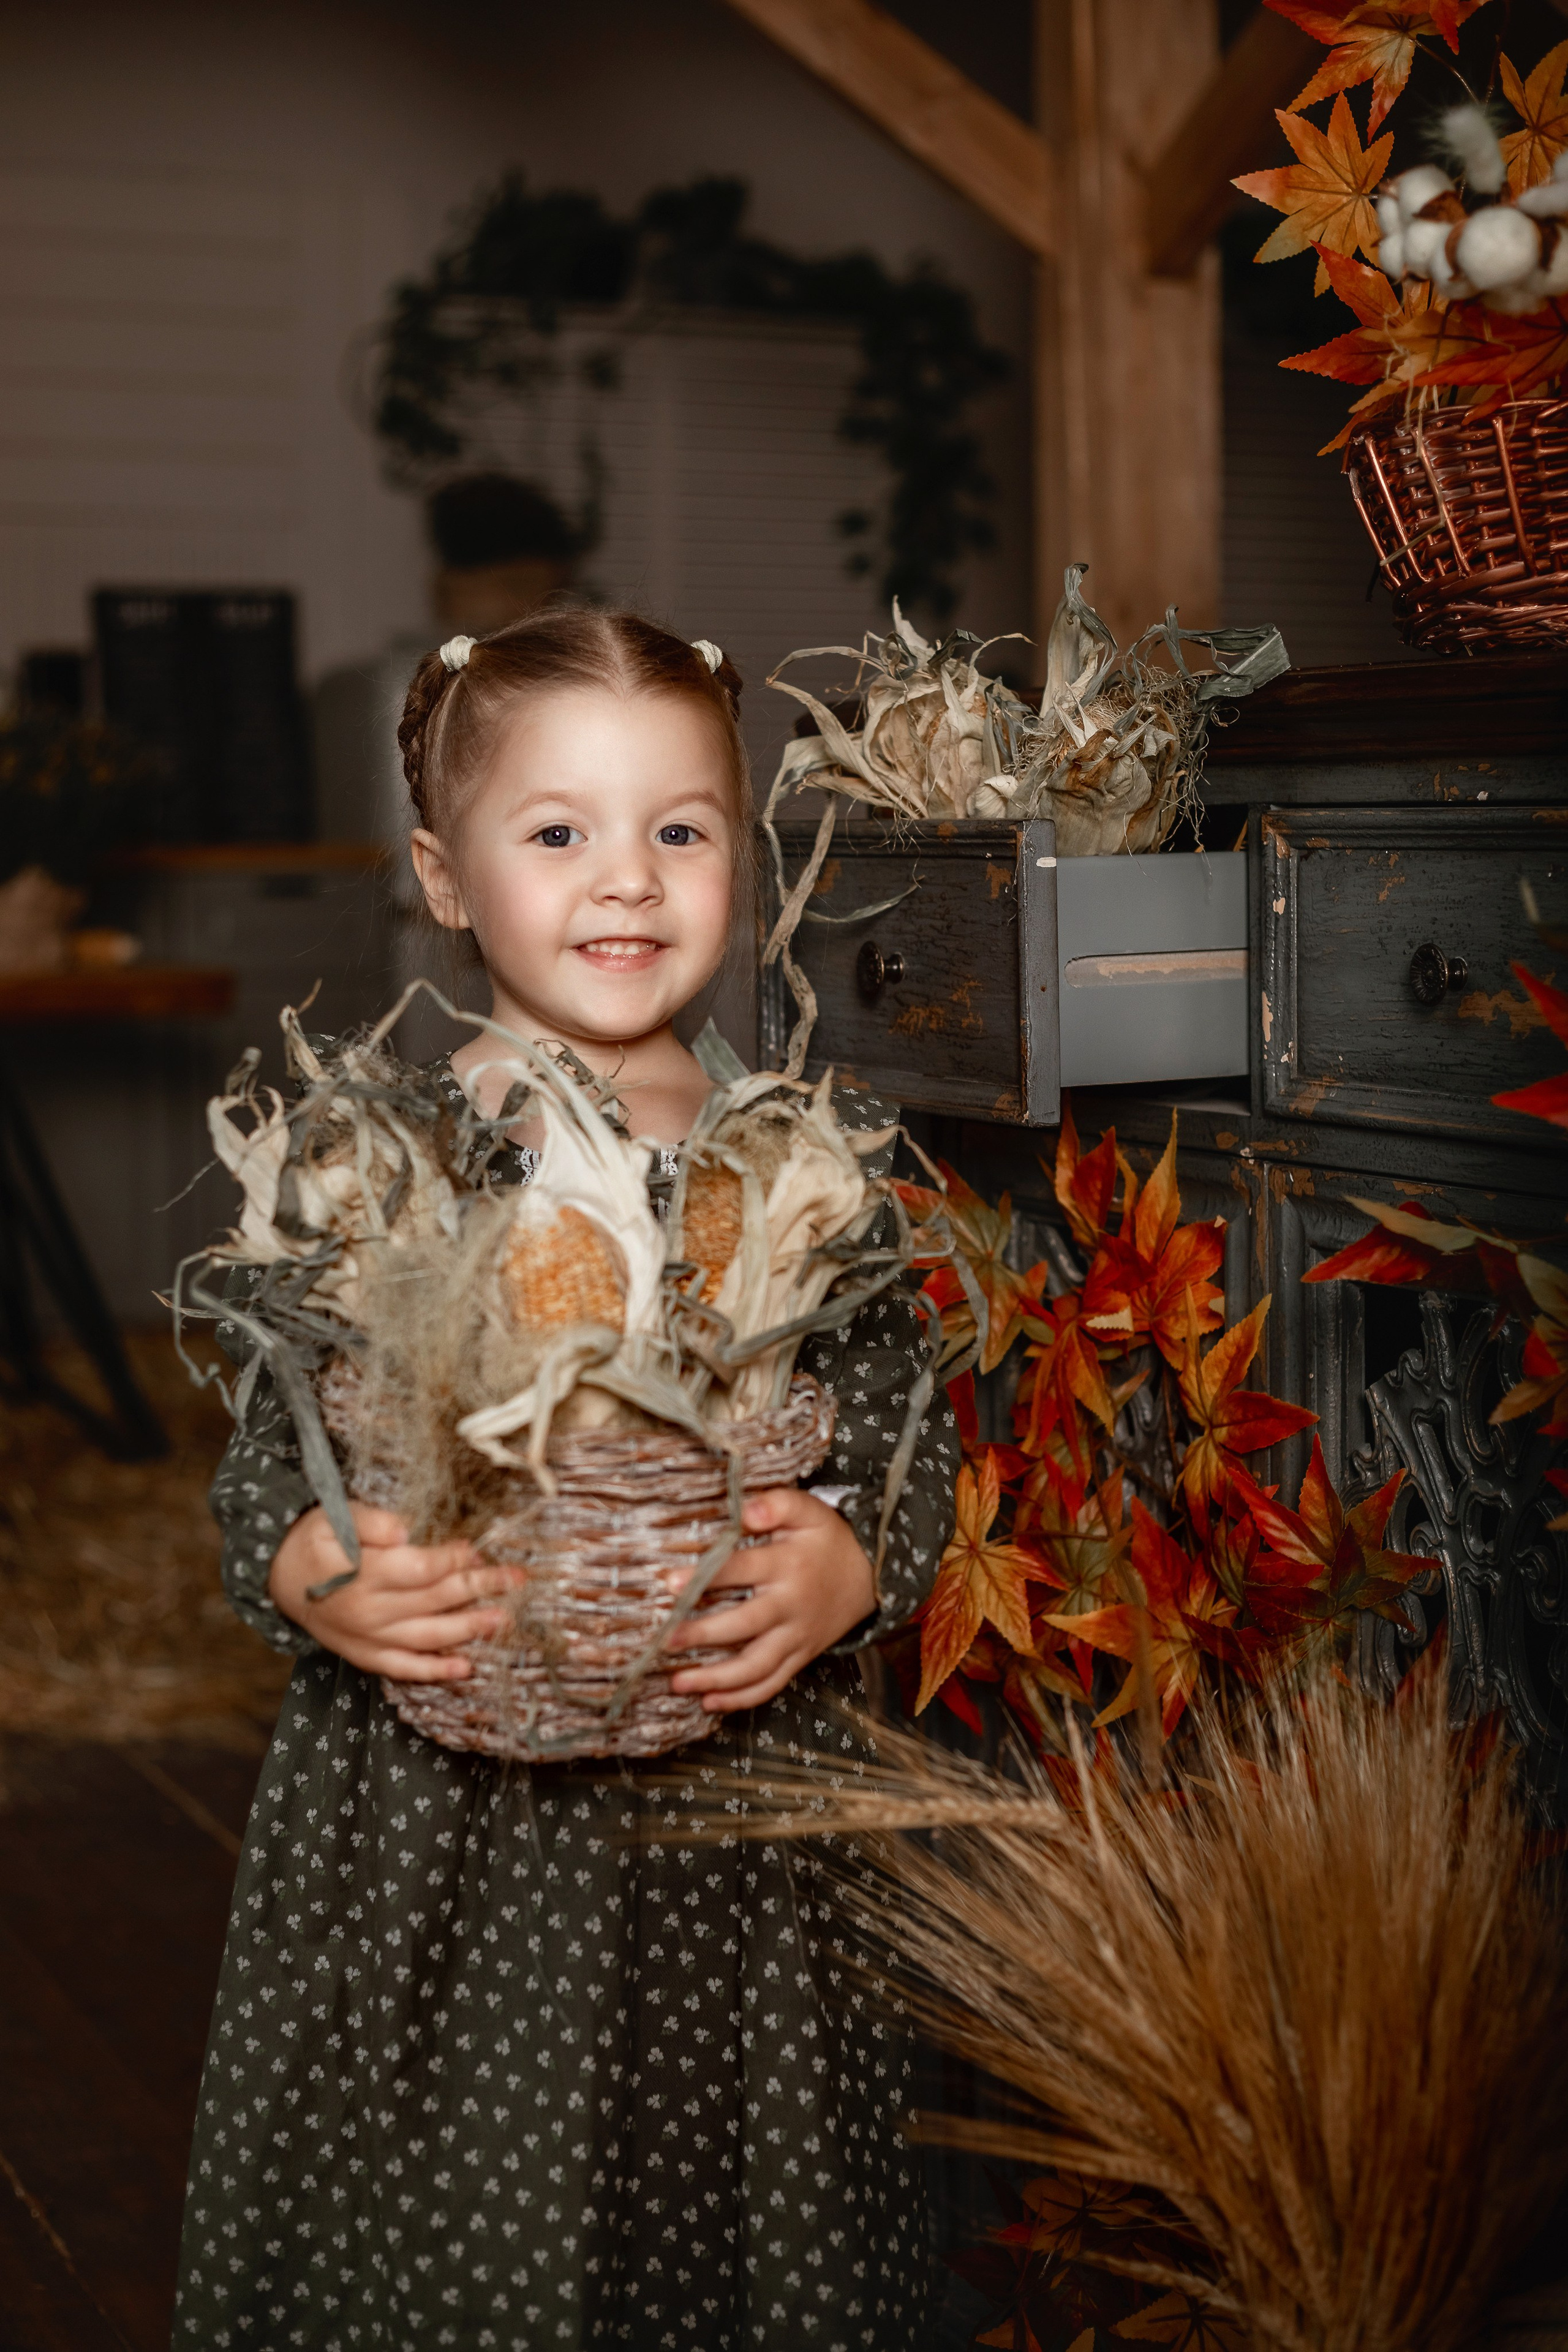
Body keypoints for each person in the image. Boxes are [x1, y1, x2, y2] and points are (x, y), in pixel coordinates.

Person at [173, 607, 959, 2352]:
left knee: (729, 2201)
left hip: (736, 1828)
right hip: (443, 1835)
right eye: (556, 833)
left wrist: (851, 1564)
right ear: (444, 880)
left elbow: (905, 1421)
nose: (628, 882)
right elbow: (270, 1455)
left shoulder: (798, 1164)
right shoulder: (389, 1159)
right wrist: (314, 1570)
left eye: (680, 829)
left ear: (743, 859)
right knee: (474, 2226)